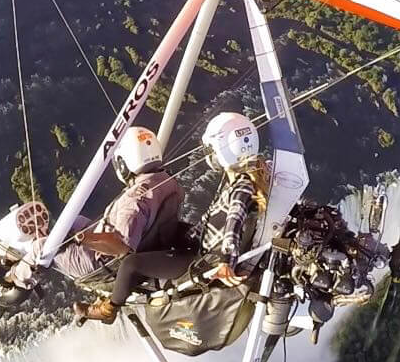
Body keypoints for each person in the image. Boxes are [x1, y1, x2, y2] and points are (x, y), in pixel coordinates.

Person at [74, 112, 267, 324]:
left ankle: (109, 309)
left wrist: (225, 261)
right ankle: (124, 281)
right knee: (164, 235)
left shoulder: (242, 185)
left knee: (131, 263)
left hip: (203, 259)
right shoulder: (251, 178)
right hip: (202, 244)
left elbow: (234, 220)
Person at [2, 126, 185, 290]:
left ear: (123, 163)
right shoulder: (167, 180)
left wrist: (82, 238)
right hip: (144, 242)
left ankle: (15, 278)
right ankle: (28, 251)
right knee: (75, 220)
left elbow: (121, 247)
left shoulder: (134, 201)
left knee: (41, 246)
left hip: (103, 265)